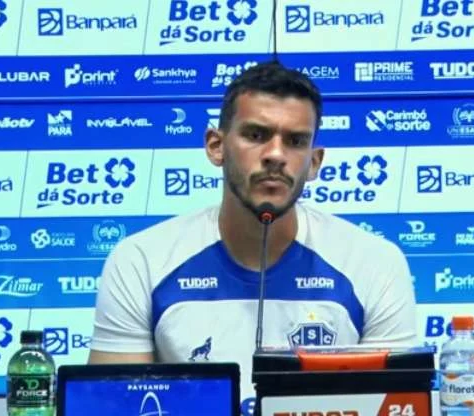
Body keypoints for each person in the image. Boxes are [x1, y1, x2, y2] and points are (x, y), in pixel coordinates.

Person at [87, 60, 419, 412]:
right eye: (256, 135)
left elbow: (396, 405)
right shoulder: (141, 261)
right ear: (216, 146)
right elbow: (113, 408)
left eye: (295, 141)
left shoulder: (374, 263)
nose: (275, 155)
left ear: (314, 162)